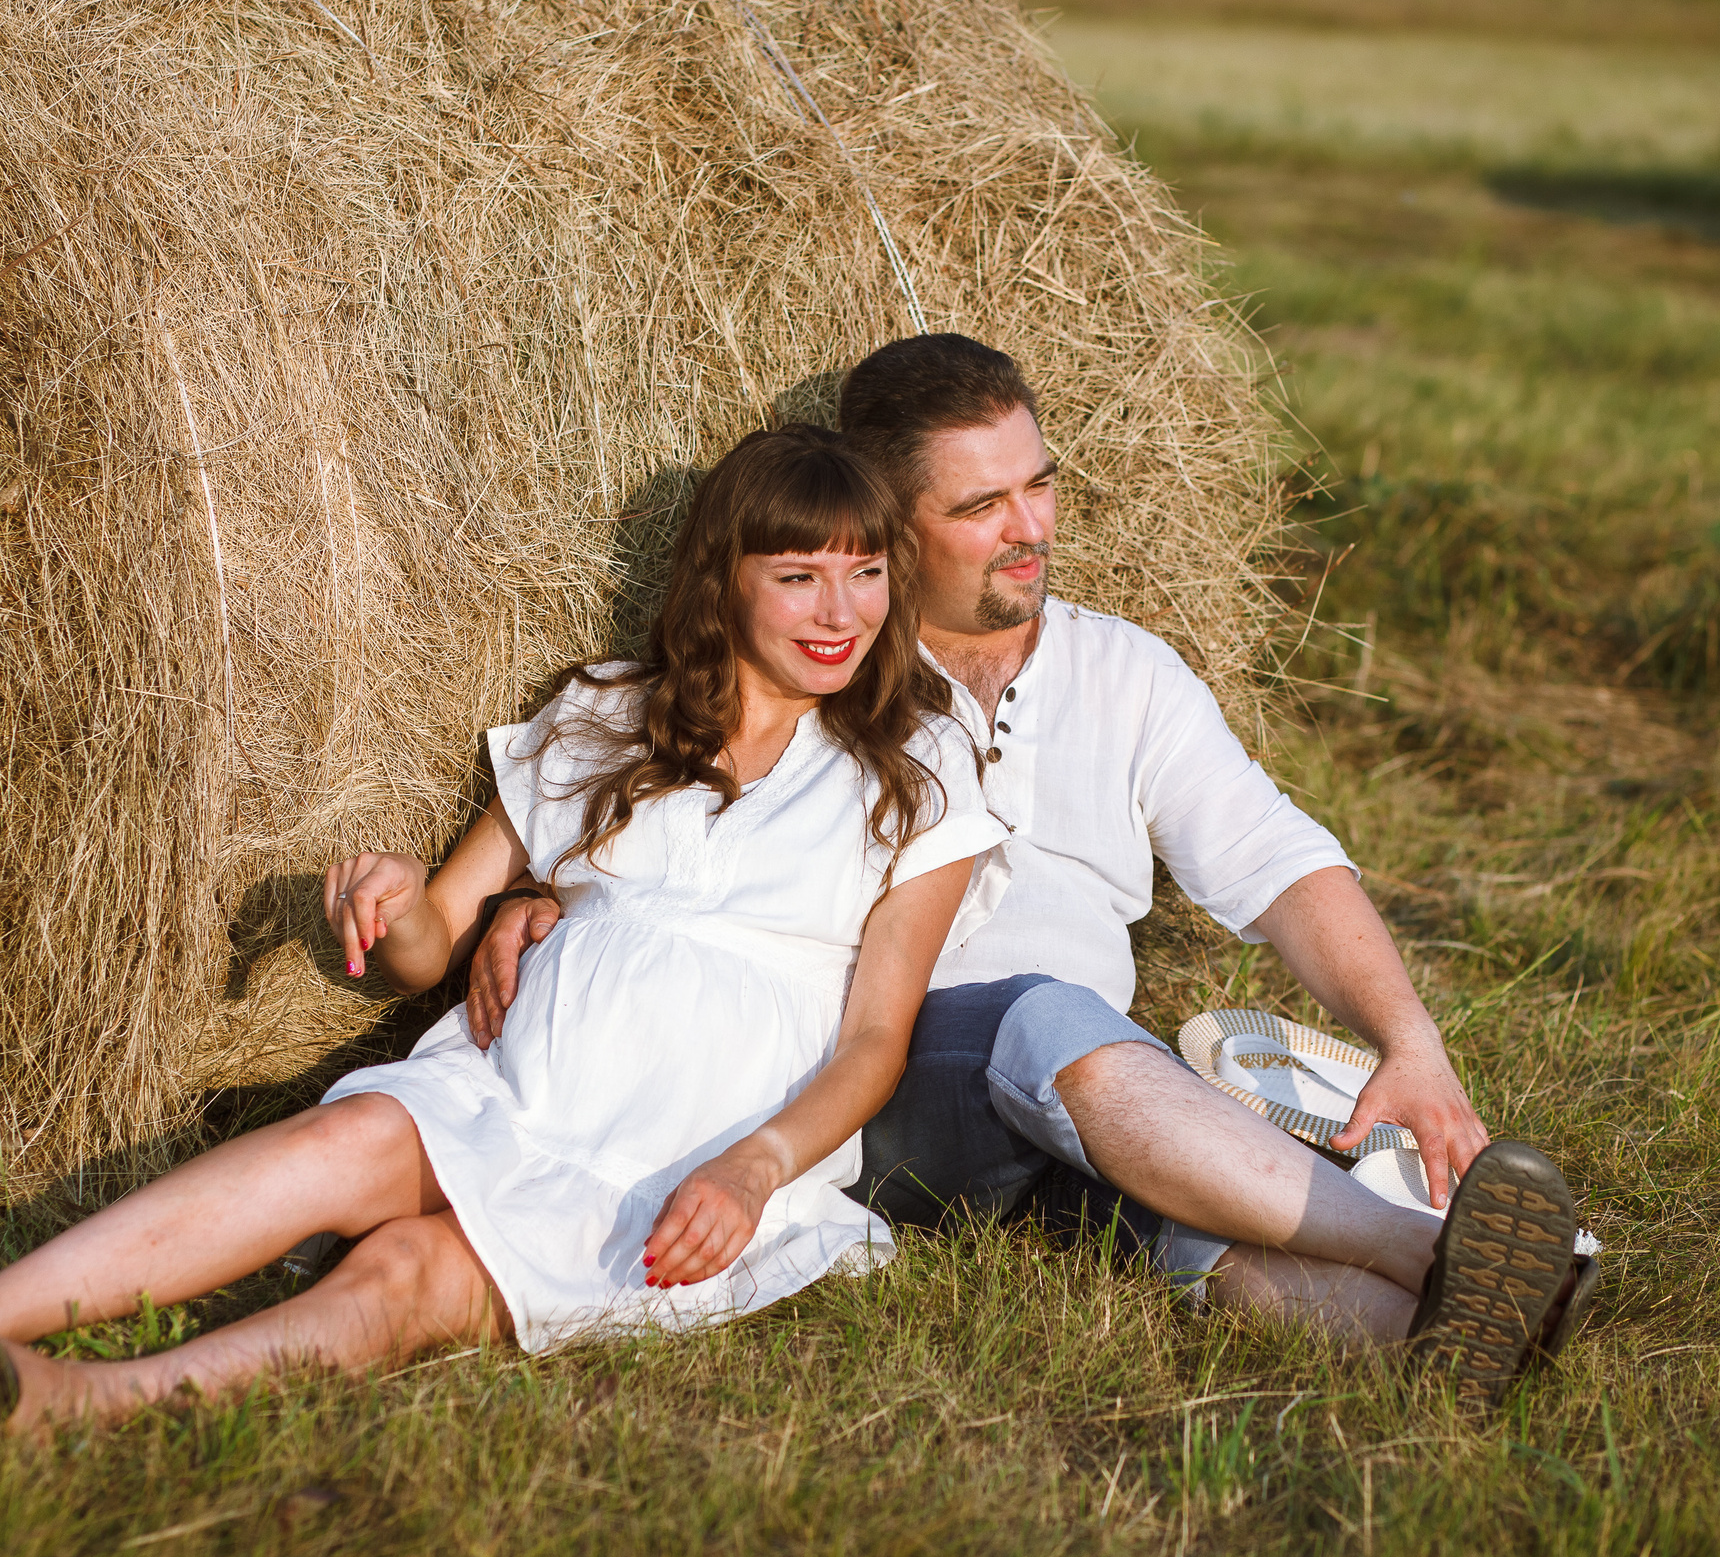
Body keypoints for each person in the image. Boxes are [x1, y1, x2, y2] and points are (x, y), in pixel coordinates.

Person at [0, 424, 1003, 1441]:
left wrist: (751, 1169)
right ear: (723, 576)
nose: (839, 611)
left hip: (692, 1153)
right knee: (354, 1135)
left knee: (408, 1276)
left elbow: (873, 1043)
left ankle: (78, 1404)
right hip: (516, 1085)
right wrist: (397, 905)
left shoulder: (914, 763)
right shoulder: (606, 717)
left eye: (865, 574)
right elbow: (435, 943)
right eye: (798, 575)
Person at [472, 336, 1593, 1407]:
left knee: (1193, 1222)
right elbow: (673, 813)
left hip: (1090, 1094)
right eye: (978, 508)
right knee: (1049, 1021)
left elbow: (1276, 859)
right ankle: (1433, 1250)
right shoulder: (824, 672)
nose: (1030, 529)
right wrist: (537, 898)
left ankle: (1452, 1339)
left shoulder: (1126, 671)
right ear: (888, 530)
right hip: (884, 1086)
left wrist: (1411, 1040)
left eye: (1038, 486)